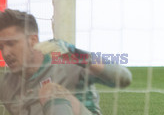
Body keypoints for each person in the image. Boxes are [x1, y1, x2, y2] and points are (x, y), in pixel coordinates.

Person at [0, 9, 132, 114]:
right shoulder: (7, 84)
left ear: (33, 40)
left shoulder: (68, 60)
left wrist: (76, 54)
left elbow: (125, 78)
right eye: (1, 47)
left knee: (50, 91)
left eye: (11, 43)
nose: (5, 53)